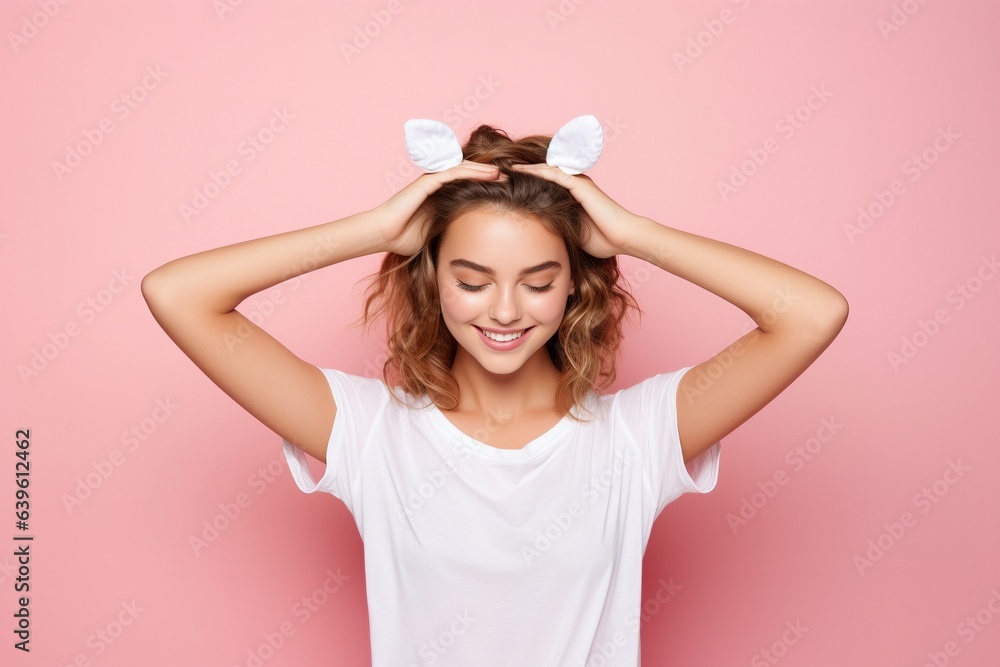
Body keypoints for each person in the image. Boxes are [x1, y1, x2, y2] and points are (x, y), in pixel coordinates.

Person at [141, 119, 848, 666]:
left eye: (538, 281)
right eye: (472, 280)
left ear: (576, 282)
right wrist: (376, 230)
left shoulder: (637, 437)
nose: (504, 310)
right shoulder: (368, 433)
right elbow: (178, 295)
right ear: (433, 279)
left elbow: (809, 313)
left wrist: (633, 233)